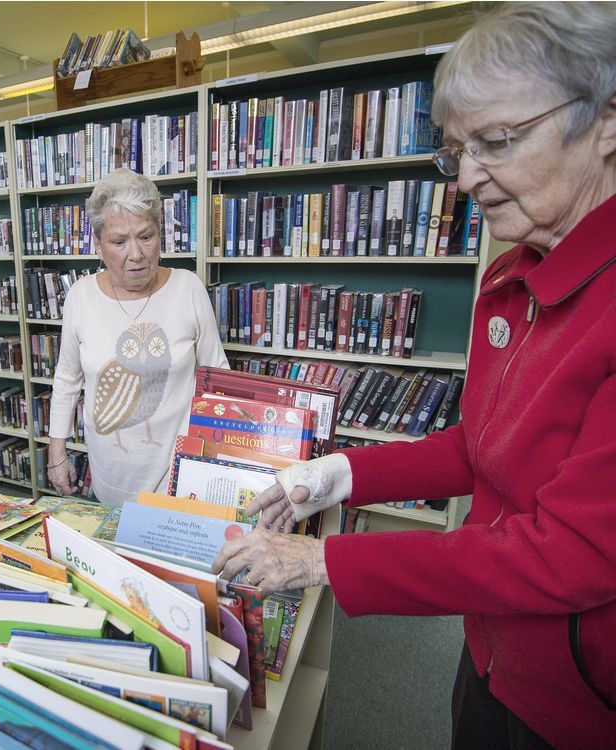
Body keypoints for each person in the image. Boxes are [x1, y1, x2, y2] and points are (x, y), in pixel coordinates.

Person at [213, 4, 616, 748]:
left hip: (583, 696)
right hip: (493, 646)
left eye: (496, 141)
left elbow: (575, 555)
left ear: (606, 121)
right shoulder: (510, 276)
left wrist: (323, 558)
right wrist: (342, 473)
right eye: (456, 151)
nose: (466, 178)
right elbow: (480, 447)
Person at [47, 168, 228, 504]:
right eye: (119, 242)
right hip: (110, 475)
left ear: (161, 234)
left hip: (180, 478)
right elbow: (67, 379)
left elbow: (218, 376)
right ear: (98, 246)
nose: (136, 253)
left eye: (146, 236)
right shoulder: (80, 296)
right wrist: (56, 451)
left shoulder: (188, 288)